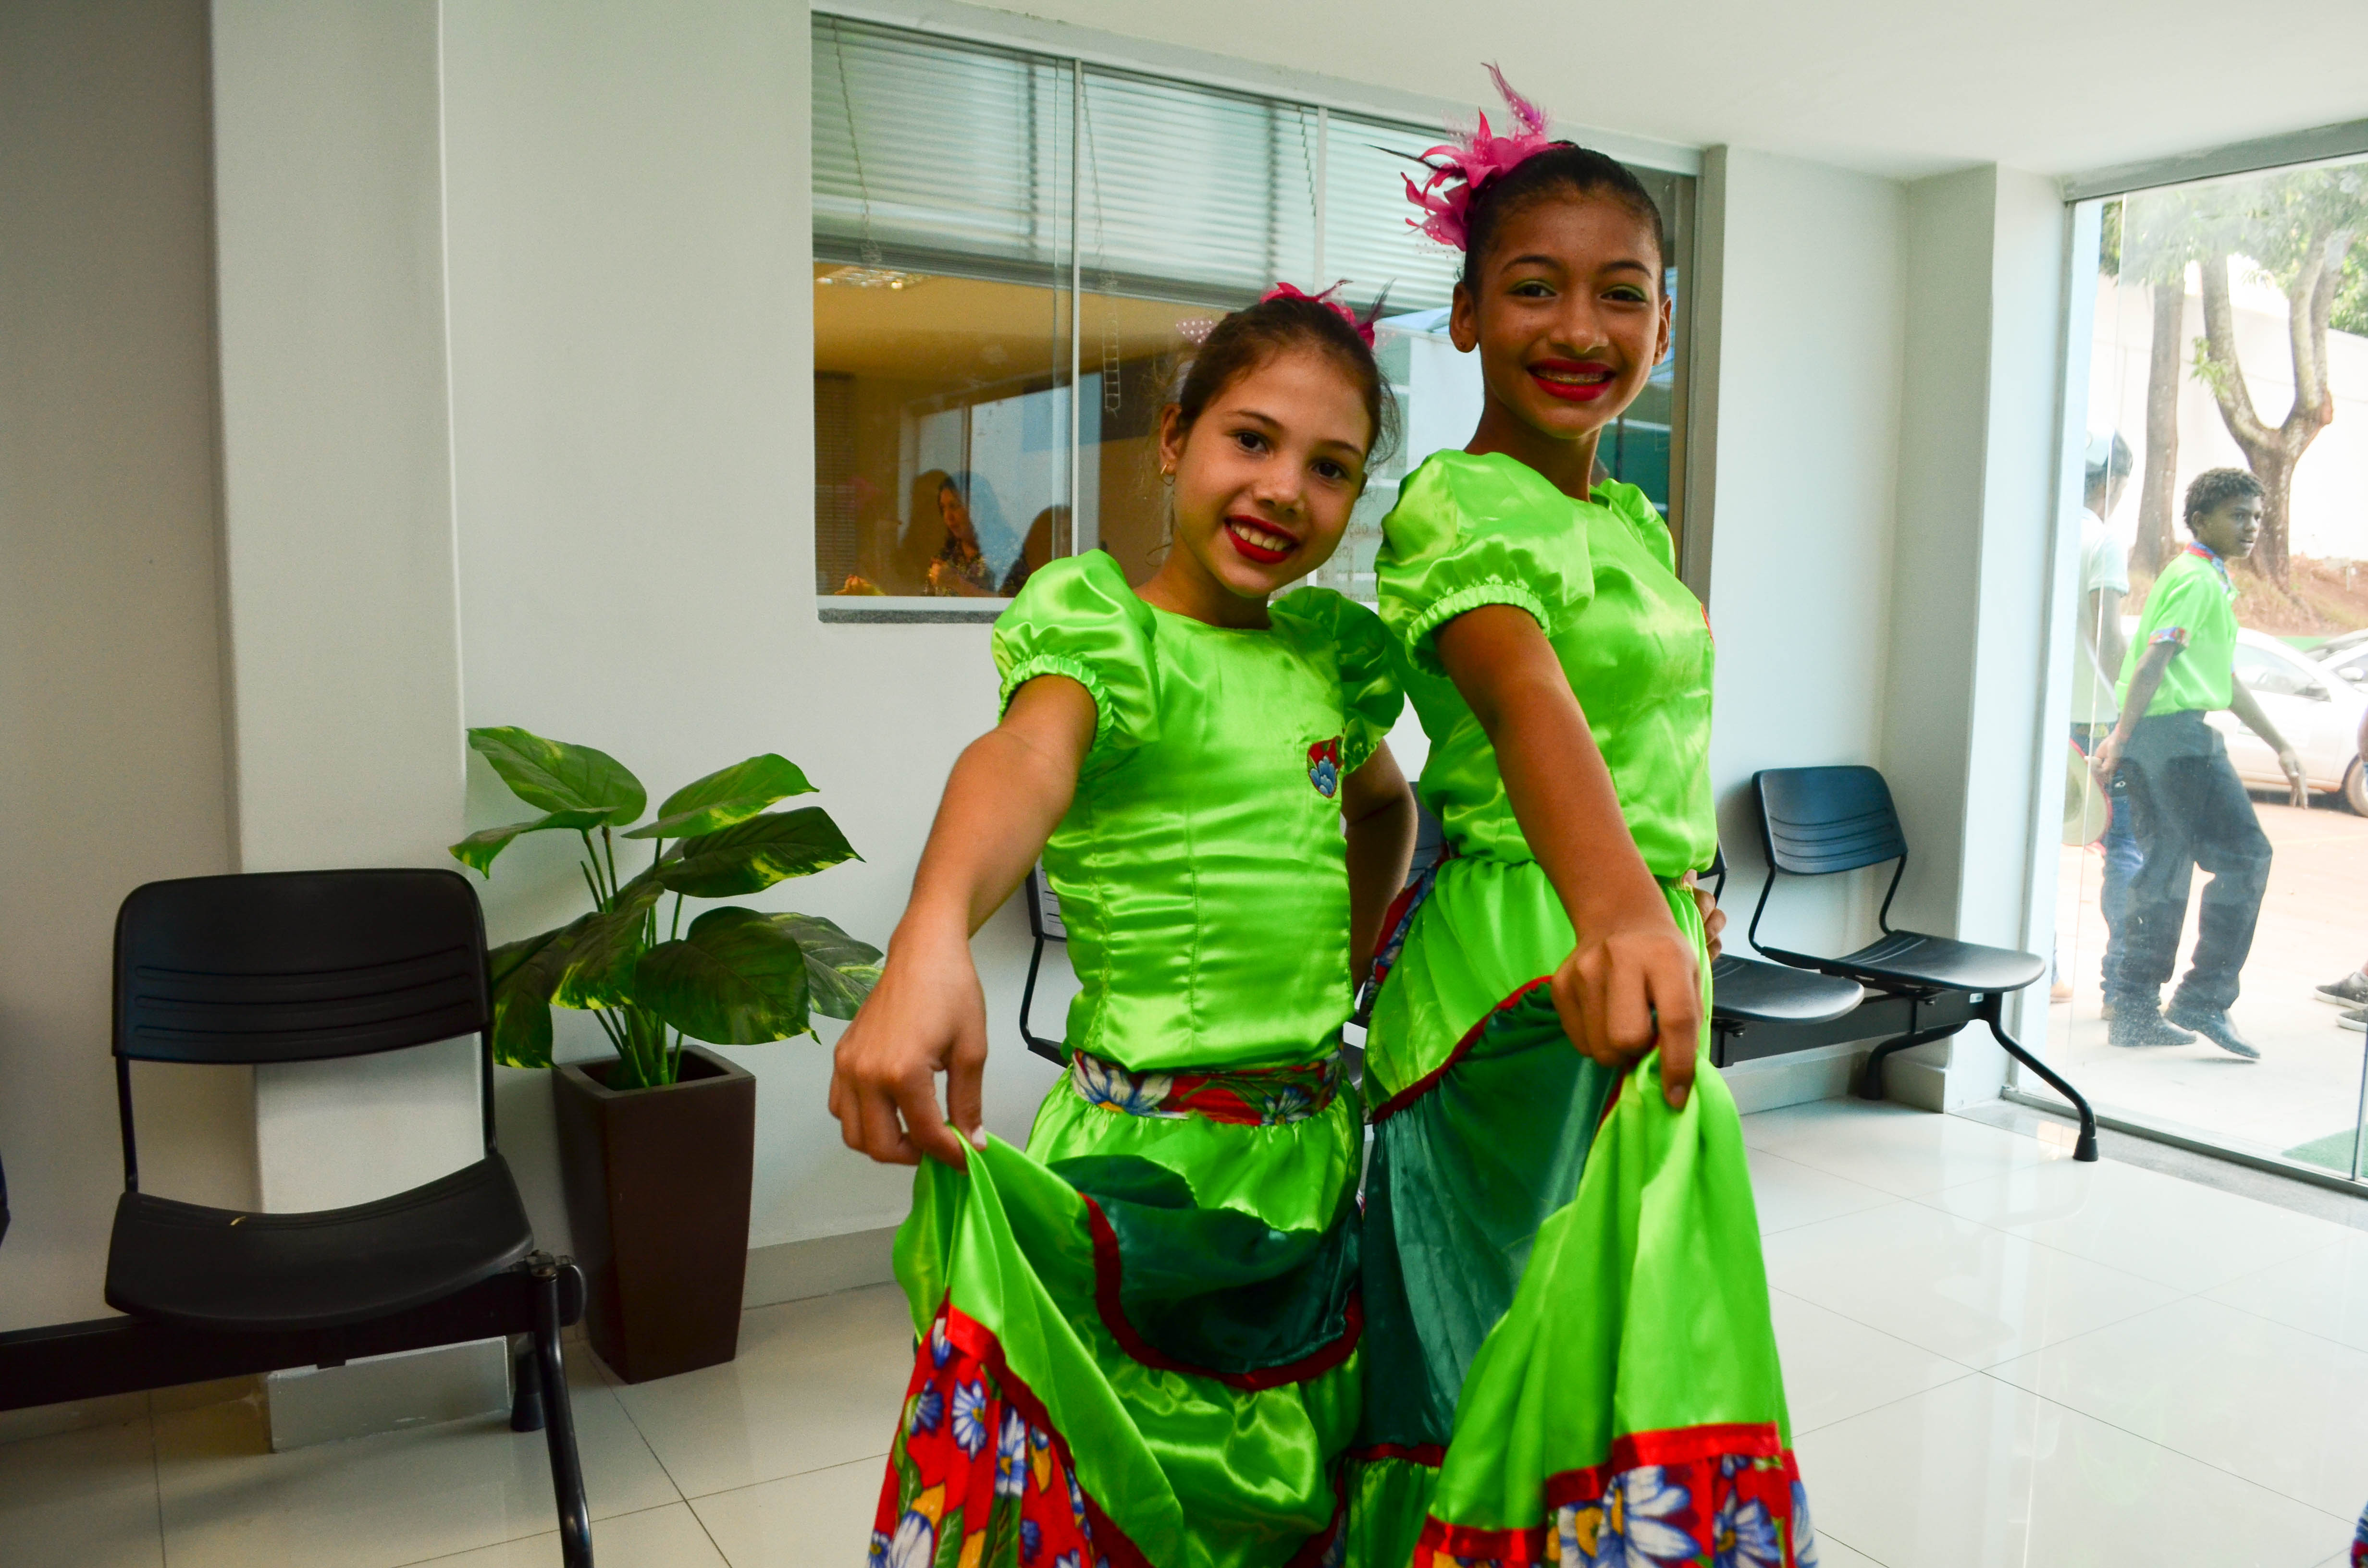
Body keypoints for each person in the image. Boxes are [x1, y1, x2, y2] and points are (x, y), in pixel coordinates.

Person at [830, 284, 1416, 1566]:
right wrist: (932, 932)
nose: (1283, 490)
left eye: (1331, 468)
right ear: (1173, 439)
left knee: (1296, 1485)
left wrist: (1352, 968)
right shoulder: (1110, 638)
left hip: (1310, 1158)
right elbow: (1023, 759)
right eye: (1250, 439)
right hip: (1149, 1166)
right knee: (1132, 1496)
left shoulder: (1327, 658)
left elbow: (1382, 804)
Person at [1348, 70, 1808, 1568]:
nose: (1579, 328)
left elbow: (1645, 734)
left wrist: (1674, 887)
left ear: (1664, 327)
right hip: (1519, 977)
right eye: (1533, 287)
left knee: (1607, 1361)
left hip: (1638, 948)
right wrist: (1620, 904)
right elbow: (1525, 692)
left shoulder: (1631, 521)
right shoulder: (1453, 502)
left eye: (1622, 294)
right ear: (1466, 315)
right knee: (1494, 1375)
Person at [2090, 467, 2306, 1060]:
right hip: (2174, 740)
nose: (2250, 527)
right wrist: (2119, 737)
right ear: (2199, 520)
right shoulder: (2195, 580)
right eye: (2237, 516)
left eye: (2255, 517)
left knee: (2164, 870)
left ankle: (2134, 1008)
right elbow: (2153, 660)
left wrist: (2280, 744)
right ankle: (2201, 998)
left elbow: (2221, 678)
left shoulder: (2200, 577)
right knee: (2246, 857)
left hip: (2161, 738)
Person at [2071, 431, 2142, 1011]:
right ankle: (2119, 988)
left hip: (2043, 719)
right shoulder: (2101, 540)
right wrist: (2126, 718)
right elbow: (2108, 639)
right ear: (2113, 482)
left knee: (2033, 845)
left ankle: (2042, 971)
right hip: (2095, 720)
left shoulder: (2045, 530)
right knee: (2123, 848)